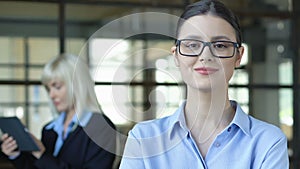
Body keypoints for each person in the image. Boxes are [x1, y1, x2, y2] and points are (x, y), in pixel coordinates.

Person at [119, 0, 289, 168]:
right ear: (176, 55)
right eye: (192, 45)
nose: (205, 56)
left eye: (220, 45)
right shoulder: (143, 139)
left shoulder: (268, 142)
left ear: (239, 56)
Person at [1, 53, 116, 169]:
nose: (51, 95)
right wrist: (15, 154)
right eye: (48, 88)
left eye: (57, 87)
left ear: (77, 84)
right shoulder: (49, 130)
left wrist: (42, 154)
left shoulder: (102, 127)